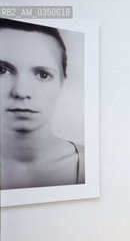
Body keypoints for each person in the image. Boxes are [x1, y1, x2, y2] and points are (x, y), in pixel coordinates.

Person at [0, 19, 85, 190]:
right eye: (2, 71)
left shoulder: (90, 163)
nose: (21, 91)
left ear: (62, 83)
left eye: (42, 75)